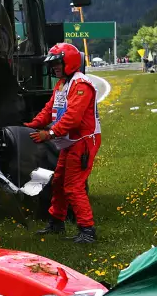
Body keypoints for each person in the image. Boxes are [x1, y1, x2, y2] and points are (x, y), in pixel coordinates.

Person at [24, 42, 103, 243]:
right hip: (69, 141)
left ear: (69, 62)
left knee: (73, 186)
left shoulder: (81, 85)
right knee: (58, 182)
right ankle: (56, 222)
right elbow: (49, 110)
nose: (54, 68)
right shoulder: (61, 85)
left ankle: (87, 230)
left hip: (83, 141)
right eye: (53, 65)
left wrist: (48, 134)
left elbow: (72, 118)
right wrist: (30, 125)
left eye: (58, 63)